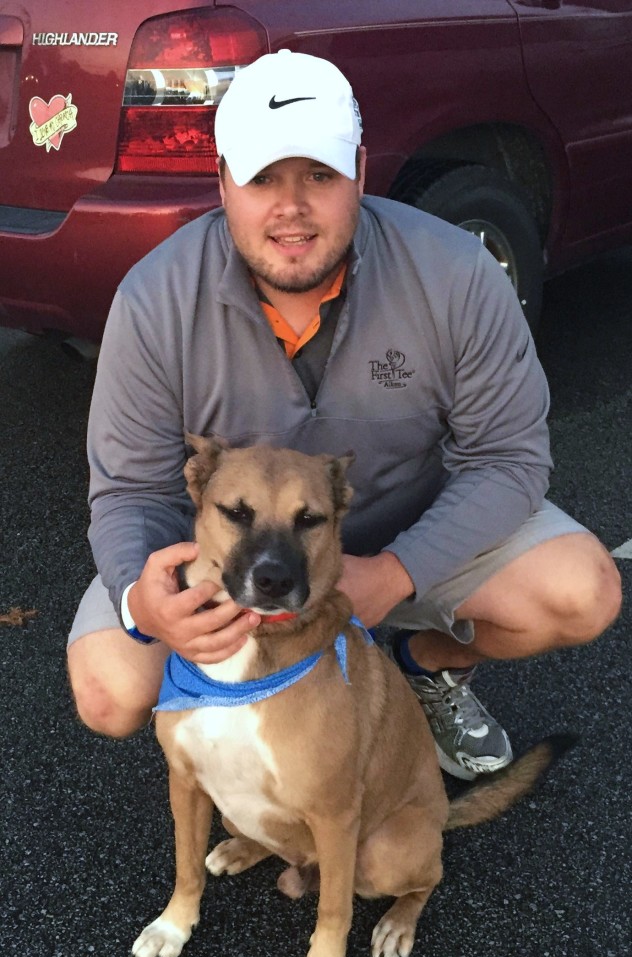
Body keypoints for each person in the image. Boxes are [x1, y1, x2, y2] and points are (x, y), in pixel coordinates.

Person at [67, 50, 621, 780]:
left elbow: (509, 460)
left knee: (582, 591)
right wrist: (145, 600)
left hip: (407, 531)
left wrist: (397, 571)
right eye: (263, 178)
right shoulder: (153, 300)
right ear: (224, 183)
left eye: (319, 176)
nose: (290, 207)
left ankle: (424, 666)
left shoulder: (456, 275)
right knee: (110, 688)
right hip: (234, 555)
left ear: (360, 172)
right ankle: (240, 725)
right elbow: (131, 492)